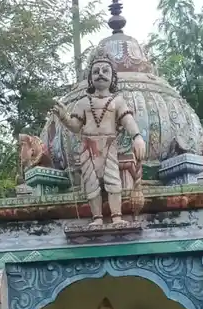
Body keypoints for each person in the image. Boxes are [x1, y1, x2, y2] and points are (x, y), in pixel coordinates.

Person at [52, 48, 146, 228]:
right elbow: (75, 126)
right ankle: (97, 218)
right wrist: (64, 117)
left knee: (113, 181)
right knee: (91, 183)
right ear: (90, 78)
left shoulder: (117, 101)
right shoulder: (82, 103)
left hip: (109, 145)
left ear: (113, 77)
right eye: (96, 71)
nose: (100, 74)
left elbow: (128, 120)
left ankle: (117, 217)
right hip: (88, 146)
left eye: (105, 71)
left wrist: (137, 137)